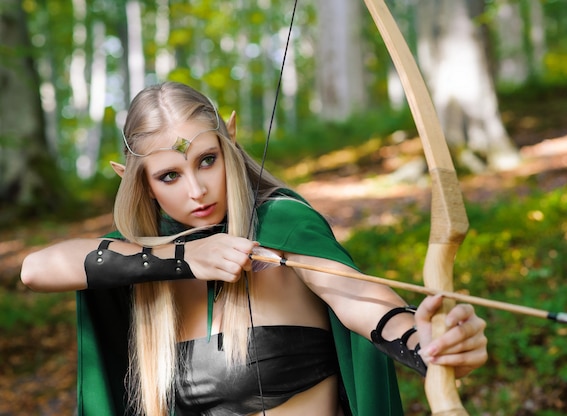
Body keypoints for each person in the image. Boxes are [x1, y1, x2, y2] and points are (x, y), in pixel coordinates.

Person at [21, 81, 487, 416]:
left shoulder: (280, 222)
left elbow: (361, 302)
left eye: (207, 160)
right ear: (137, 183)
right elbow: (37, 268)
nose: (197, 190)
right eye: (170, 176)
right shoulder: (146, 269)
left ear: (230, 143)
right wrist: (185, 259)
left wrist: (427, 344)